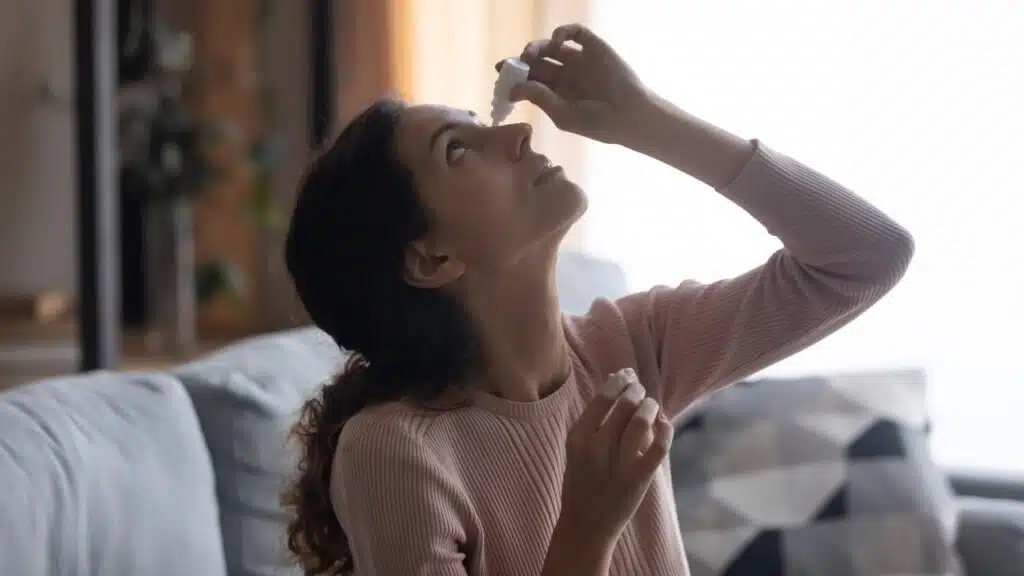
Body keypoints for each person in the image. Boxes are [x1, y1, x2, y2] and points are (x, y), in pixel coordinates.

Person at [281, 23, 914, 576]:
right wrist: (586, 526)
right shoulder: (394, 453)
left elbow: (867, 256)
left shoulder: (631, 345)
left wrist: (644, 119)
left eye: (481, 127)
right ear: (431, 258)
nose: (518, 137)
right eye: (458, 150)